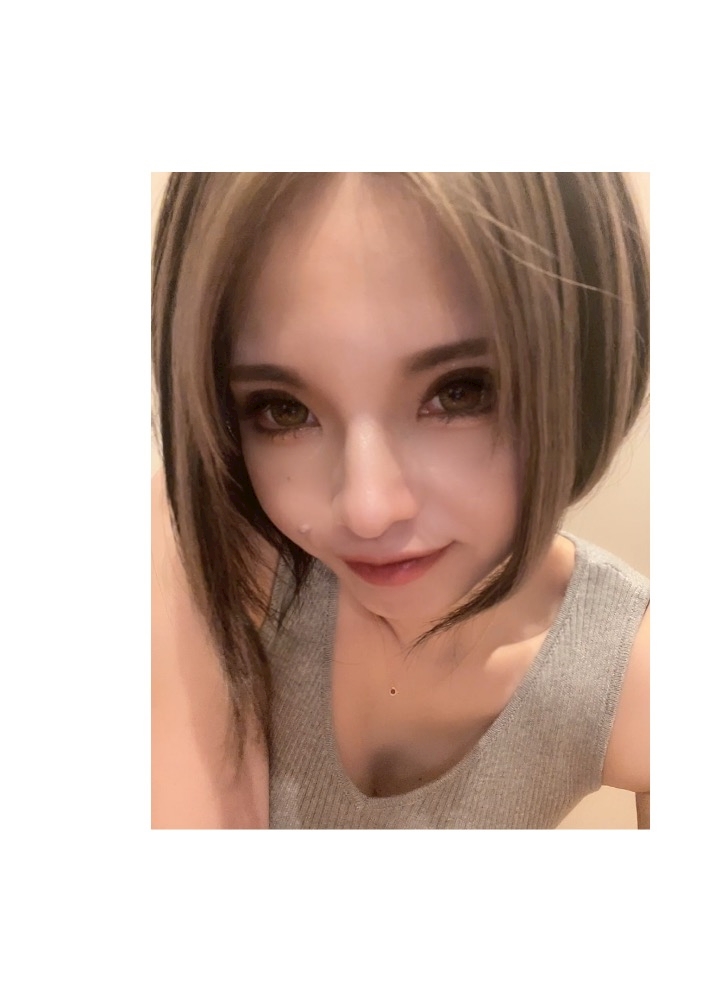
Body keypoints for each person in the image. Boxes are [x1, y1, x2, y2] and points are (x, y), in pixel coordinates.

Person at [151, 172, 650, 830]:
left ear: (584, 362)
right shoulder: (207, 562)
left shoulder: (633, 673)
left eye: (461, 391)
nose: (367, 511)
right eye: (282, 409)